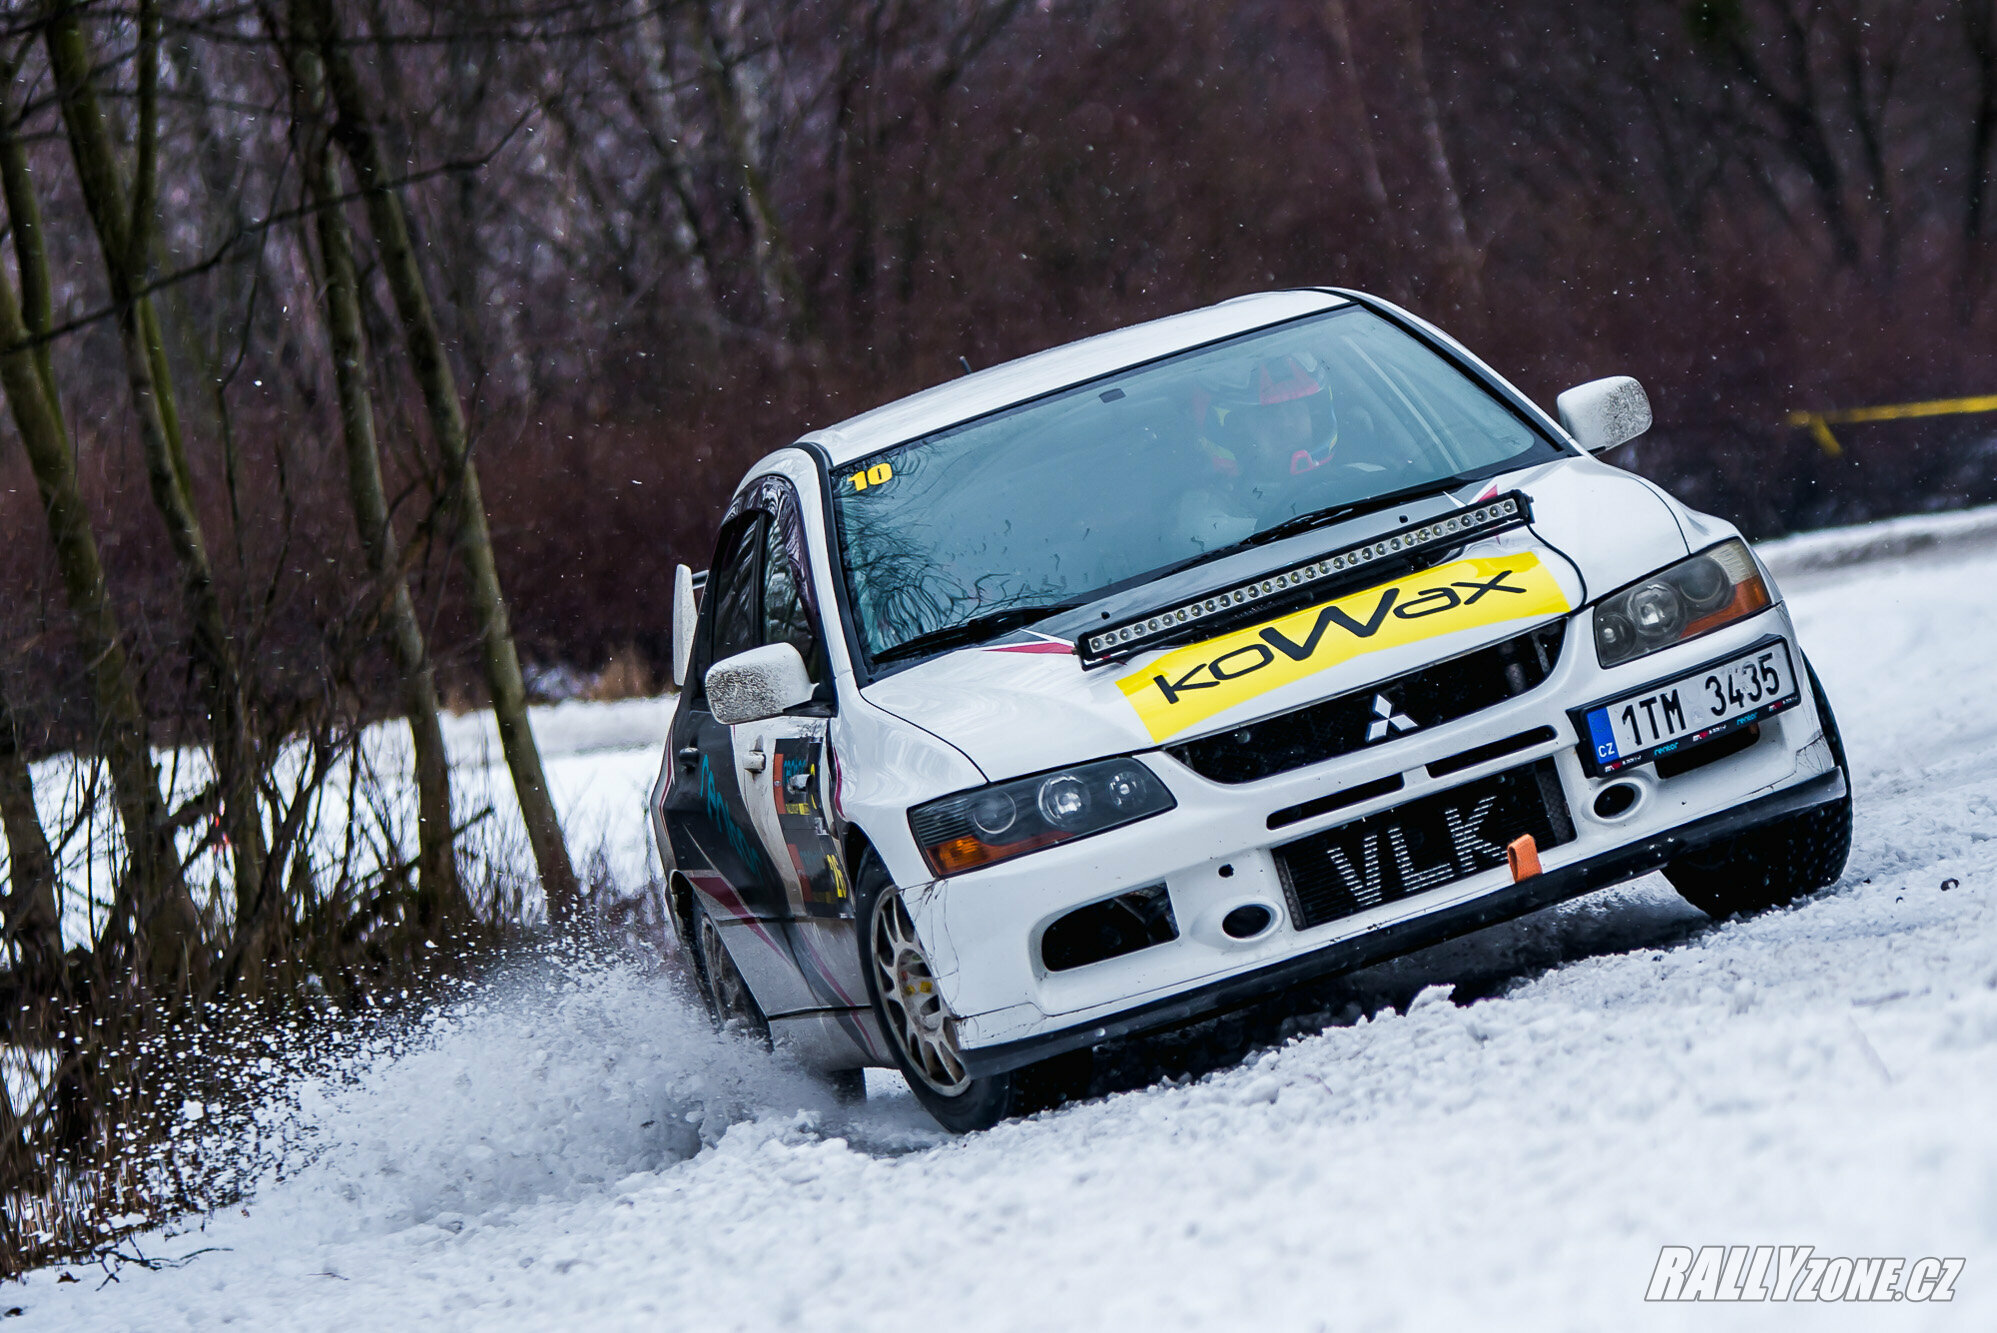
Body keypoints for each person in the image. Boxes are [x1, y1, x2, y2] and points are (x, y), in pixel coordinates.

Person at [1175, 353, 1339, 551]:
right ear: (1235, 434)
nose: (1286, 424)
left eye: (1295, 408)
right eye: (1268, 415)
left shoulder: (1366, 478)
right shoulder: (1201, 518)